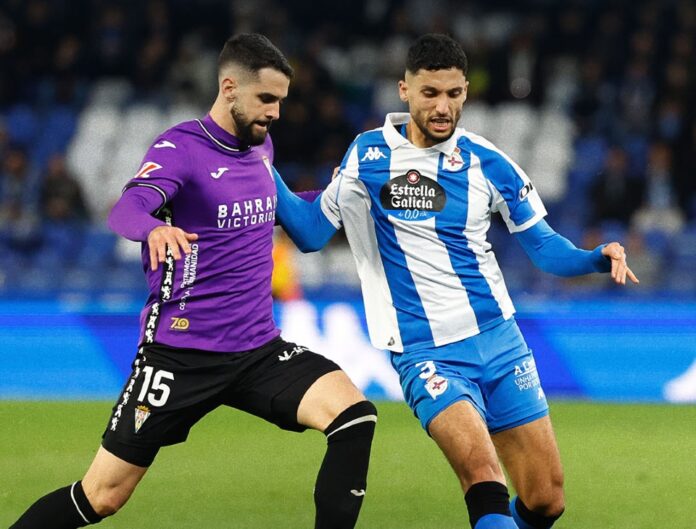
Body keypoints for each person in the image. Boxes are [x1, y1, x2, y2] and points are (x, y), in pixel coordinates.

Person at [10, 33, 377, 529]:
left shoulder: (261, 146)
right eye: (266, 99)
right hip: (180, 354)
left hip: (255, 350)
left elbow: (285, 211)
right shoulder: (181, 148)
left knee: (354, 416)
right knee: (101, 496)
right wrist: (155, 227)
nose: (274, 112)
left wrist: (339, 194)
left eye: (281, 101)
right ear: (229, 88)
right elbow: (127, 208)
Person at [275, 34, 639, 529]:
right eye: (430, 94)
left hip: (501, 342)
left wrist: (595, 258)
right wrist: (261, 171)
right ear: (404, 91)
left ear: (466, 90)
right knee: (483, 473)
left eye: (453, 94)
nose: (443, 106)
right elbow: (311, 232)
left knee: (546, 500)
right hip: (426, 351)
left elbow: (544, 248)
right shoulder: (368, 157)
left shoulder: (490, 163)